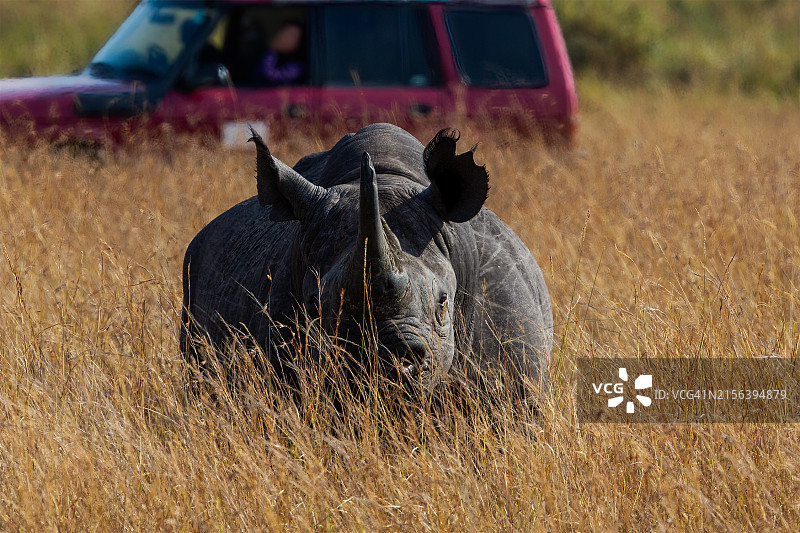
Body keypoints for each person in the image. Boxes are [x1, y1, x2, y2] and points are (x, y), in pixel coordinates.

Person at [258, 21, 305, 85]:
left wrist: (272, 50)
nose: (285, 37)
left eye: (292, 35)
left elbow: (268, 76)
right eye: (284, 32)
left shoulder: (297, 66)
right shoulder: (266, 53)